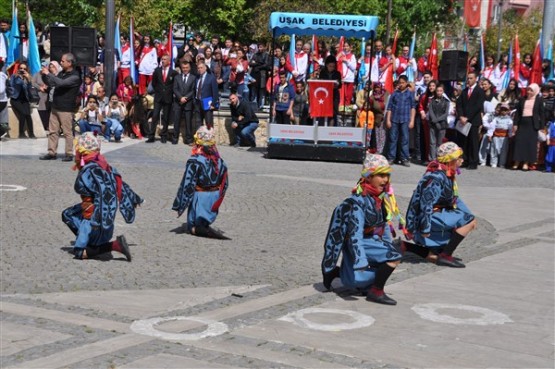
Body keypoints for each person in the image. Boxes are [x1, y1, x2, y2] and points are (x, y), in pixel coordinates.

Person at [321, 154, 405, 305]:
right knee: (393, 257)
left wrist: (388, 243)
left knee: (390, 256)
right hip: (358, 243)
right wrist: (360, 260)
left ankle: (341, 275)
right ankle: (376, 291)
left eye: (387, 175)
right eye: (380, 175)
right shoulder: (357, 203)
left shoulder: (379, 198)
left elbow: (383, 225)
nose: (385, 179)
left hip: (371, 241)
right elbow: (355, 234)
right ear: (368, 177)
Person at [62, 132, 143, 261]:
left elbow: (103, 193)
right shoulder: (104, 165)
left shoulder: (90, 170)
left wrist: (97, 221)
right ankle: (91, 242)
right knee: (67, 214)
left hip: (95, 218)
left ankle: (115, 246)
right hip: (98, 215)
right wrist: (134, 198)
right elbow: (120, 184)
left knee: (79, 253)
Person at [404, 142, 477, 268]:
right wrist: (425, 228)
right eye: (458, 158)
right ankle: (445, 255)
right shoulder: (436, 178)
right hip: (429, 216)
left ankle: (410, 247)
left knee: (469, 220)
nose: (461, 160)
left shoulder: (447, 174)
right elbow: (426, 204)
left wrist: (468, 214)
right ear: (450, 160)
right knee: (468, 222)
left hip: (438, 213)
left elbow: (455, 198)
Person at [172, 126, 229, 239]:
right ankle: (203, 226)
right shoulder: (221, 161)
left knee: (192, 227)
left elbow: (187, 184)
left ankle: (198, 228)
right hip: (214, 199)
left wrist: (179, 205)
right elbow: (225, 184)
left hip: (201, 199)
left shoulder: (195, 161)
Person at [40, 53, 82, 161]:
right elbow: (51, 83)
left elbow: (61, 83)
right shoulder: (61, 73)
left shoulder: (75, 76)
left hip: (66, 108)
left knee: (67, 132)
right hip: (55, 106)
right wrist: (44, 75)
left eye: (63, 61)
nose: (61, 62)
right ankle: (51, 152)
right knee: (53, 131)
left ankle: (68, 154)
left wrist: (49, 74)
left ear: (70, 63)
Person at [456, 72, 485, 169]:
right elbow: (459, 104)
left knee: (473, 142)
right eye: (468, 78)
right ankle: (465, 159)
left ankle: (473, 162)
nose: (469, 80)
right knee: (464, 141)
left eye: (471, 78)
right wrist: (460, 116)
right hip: (463, 120)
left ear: (475, 79)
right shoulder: (464, 91)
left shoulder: (479, 91)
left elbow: (478, 106)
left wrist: (467, 117)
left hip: (474, 120)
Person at [512, 83, 545, 170]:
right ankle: (517, 161)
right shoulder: (522, 99)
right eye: (528, 90)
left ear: (535, 91)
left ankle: (526, 163)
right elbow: (518, 113)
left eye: (531, 90)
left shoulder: (539, 100)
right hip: (522, 123)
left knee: (529, 144)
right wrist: (515, 124)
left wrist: (542, 127)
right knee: (519, 142)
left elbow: (542, 114)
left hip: (532, 124)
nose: (529, 92)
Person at [386, 75, 415, 166]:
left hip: (405, 119)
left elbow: (413, 108)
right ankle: (391, 157)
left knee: (405, 139)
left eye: (403, 83)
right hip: (394, 119)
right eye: (400, 83)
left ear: (406, 83)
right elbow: (389, 108)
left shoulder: (410, 94)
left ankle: (404, 158)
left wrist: (412, 120)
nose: (401, 84)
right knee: (392, 139)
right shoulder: (394, 93)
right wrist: (388, 120)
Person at [148, 54, 177, 143]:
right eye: (162, 59)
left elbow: (174, 84)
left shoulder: (173, 72)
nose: (163, 61)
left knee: (166, 117)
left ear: (169, 61)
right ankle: (151, 135)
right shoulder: (157, 71)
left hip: (168, 97)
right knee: (155, 115)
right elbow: (154, 83)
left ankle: (164, 135)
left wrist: (168, 91)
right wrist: (159, 90)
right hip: (158, 97)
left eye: (165, 59)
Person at [172, 60, 197, 145]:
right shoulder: (177, 77)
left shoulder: (193, 78)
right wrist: (180, 98)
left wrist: (185, 98)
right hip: (178, 102)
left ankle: (189, 140)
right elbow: (175, 89)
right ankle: (175, 138)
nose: (185, 69)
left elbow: (193, 90)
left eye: (186, 68)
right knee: (176, 121)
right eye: (183, 68)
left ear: (189, 68)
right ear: (181, 68)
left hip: (188, 103)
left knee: (188, 122)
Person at [9, 61, 35, 139]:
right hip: (15, 99)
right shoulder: (14, 76)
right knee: (23, 113)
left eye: (24, 69)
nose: (22, 70)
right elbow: (10, 86)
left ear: (27, 70)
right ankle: (21, 133)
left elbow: (30, 89)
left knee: (28, 115)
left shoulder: (28, 77)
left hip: (25, 99)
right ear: (18, 69)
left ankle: (31, 133)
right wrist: (17, 77)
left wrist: (28, 80)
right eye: (21, 68)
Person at [486, 103, 513, 168]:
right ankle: (493, 163)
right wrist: (490, 135)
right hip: (496, 136)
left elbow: (510, 129)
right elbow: (492, 127)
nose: (504, 111)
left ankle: (502, 163)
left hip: (504, 137)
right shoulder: (496, 118)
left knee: (503, 150)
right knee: (494, 149)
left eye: (505, 110)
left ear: (508, 111)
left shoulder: (509, 120)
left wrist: (510, 136)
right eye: (502, 110)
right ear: (500, 110)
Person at [427, 84, 450, 161]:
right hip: (433, 124)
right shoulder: (432, 100)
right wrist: (435, 121)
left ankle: (439, 158)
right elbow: (430, 111)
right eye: (437, 91)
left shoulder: (446, 101)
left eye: (441, 91)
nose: (439, 92)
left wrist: (437, 120)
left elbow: (446, 114)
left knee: (440, 143)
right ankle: (432, 159)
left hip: (442, 124)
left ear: (443, 91)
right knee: (432, 142)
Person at [194, 61, 219, 129]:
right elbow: (194, 90)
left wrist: (213, 104)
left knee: (209, 123)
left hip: (208, 104)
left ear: (205, 68)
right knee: (198, 123)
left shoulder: (211, 78)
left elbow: (215, 92)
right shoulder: (197, 77)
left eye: (201, 68)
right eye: (198, 68)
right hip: (198, 103)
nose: (200, 69)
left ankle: (209, 139)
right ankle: (198, 138)